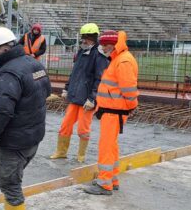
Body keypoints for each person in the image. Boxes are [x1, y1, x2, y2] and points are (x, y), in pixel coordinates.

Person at [0, 27, 51, 210]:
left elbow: (1, 111)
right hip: (33, 136)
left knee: (9, 182)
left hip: (15, 140)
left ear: (3, 48)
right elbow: (46, 92)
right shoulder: (34, 64)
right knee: (13, 179)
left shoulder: (8, 74)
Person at [83, 30, 139, 195]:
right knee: (111, 146)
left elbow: (129, 90)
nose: (103, 48)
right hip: (113, 111)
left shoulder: (123, 61)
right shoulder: (119, 59)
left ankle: (104, 184)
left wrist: (129, 107)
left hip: (115, 112)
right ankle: (111, 180)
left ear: (112, 44)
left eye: (104, 45)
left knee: (106, 147)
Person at [50, 23, 109, 162]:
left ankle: (81, 157)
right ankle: (61, 151)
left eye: (87, 38)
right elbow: (74, 73)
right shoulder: (81, 52)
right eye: (83, 37)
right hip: (75, 96)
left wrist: (92, 99)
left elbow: (99, 79)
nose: (84, 40)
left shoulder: (99, 56)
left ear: (94, 38)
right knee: (65, 126)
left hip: (87, 100)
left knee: (83, 129)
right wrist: (67, 88)